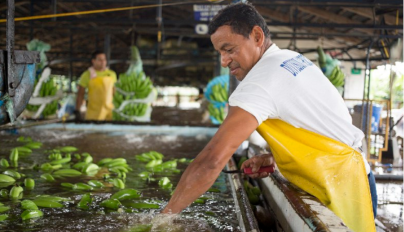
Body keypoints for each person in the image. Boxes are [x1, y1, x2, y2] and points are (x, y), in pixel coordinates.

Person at [161, 3, 376, 232]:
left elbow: (212, 160)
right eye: (220, 53)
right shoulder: (290, 59)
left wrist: (163, 218)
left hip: (340, 191)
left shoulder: (260, 80)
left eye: (229, 49)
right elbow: (319, 125)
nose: (224, 61)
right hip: (357, 177)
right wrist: (277, 157)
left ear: (256, 36)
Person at [75, 51, 117, 121]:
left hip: (109, 112)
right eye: (100, 60)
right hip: (93, 112)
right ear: (93, 61)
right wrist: (77, 110)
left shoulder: (112, 74)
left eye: (104, 59)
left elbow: (114, 92)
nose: (103, 62)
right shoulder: (87, 74)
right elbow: (80, 94)